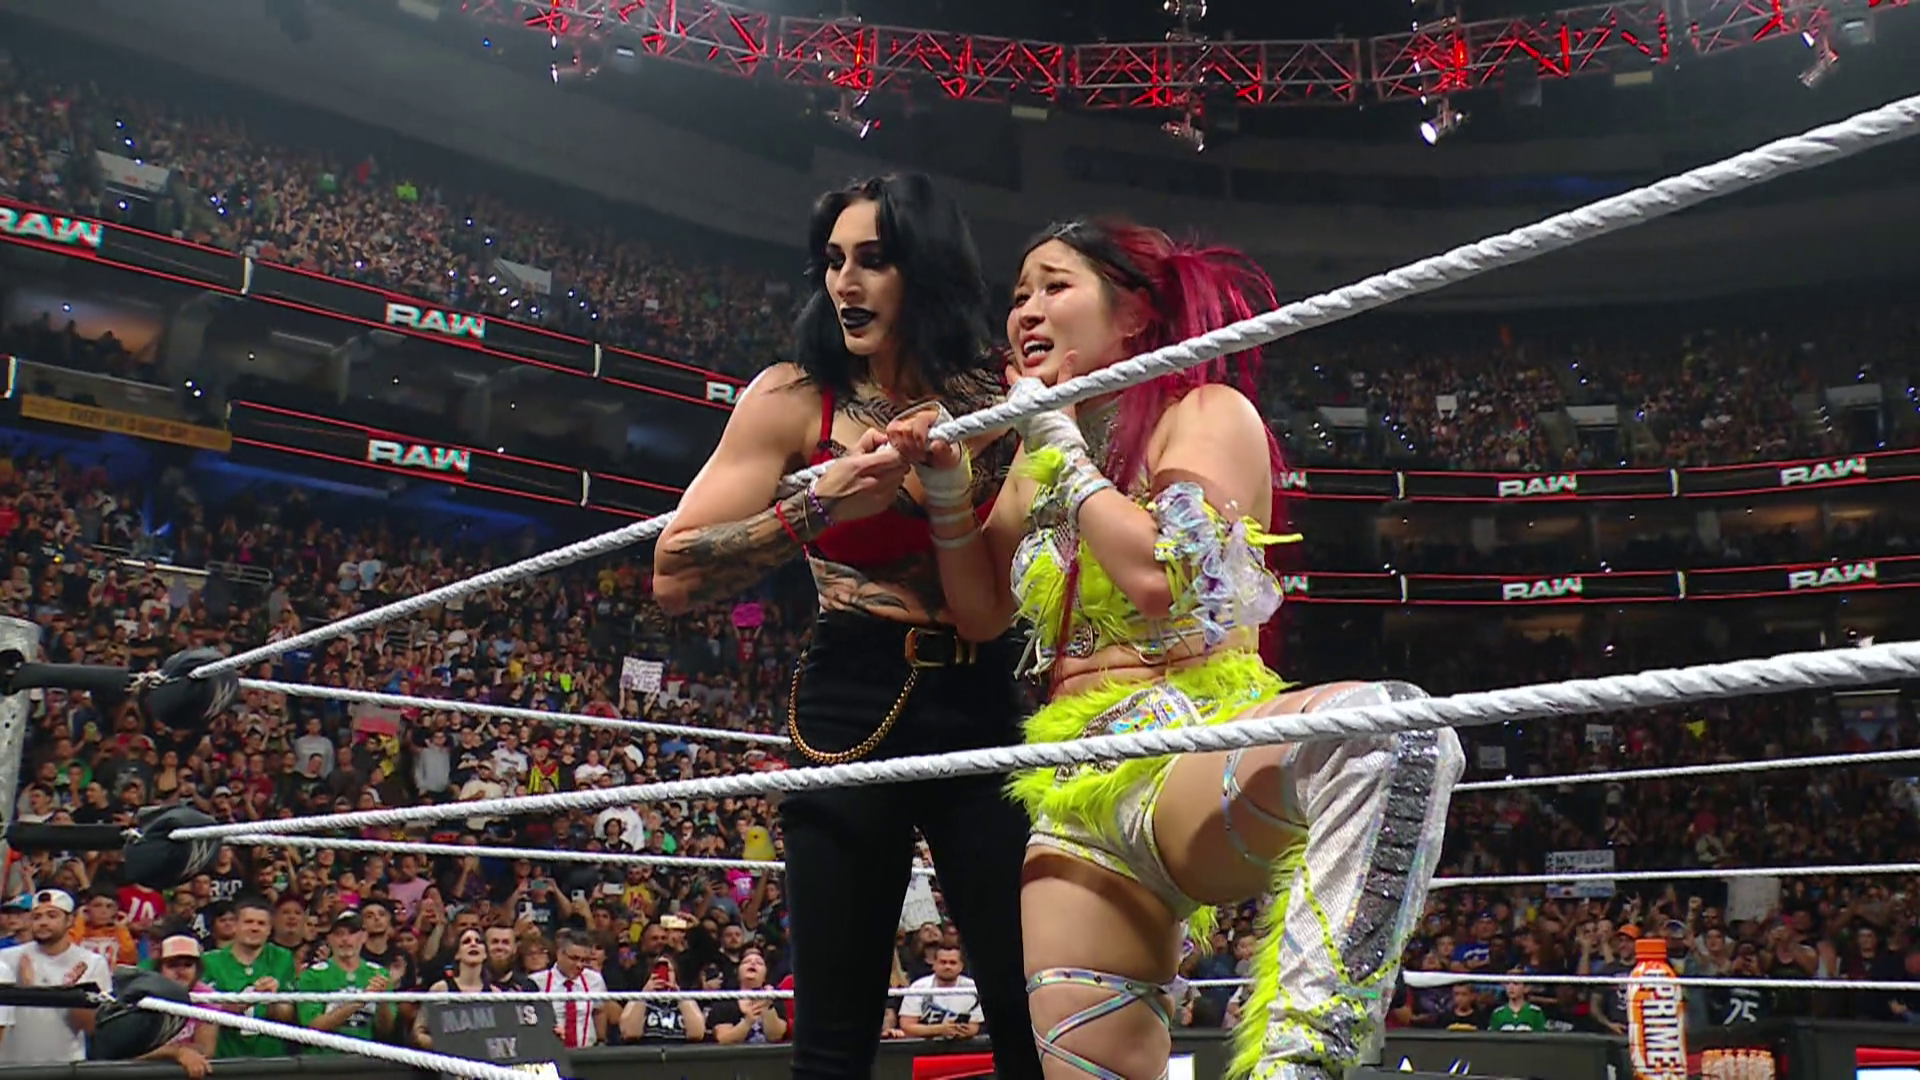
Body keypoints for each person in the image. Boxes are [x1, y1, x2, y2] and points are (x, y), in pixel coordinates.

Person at [886, 219, 1464, 1080]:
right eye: (1017, 295)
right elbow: (979, 612)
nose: (1025, 311)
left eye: (1053, 286)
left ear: (1133, 315)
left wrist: (1057, 444)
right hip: (1074, 790)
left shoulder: (1204, 413)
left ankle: (1301, 1065)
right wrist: (945, 485)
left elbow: (1166, 577)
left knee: (1392, 737)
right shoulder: (1036, 453)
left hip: (1192, 751)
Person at [651, 173, 1038, 1080]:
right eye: (833, 261)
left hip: (989, 687)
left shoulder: (1005, 393)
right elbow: (673, 574)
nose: (846, 283)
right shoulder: (794, 397)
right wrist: (816, 505)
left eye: (873, 259)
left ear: (927, 269)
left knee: (1028, 1011)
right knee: (833, 1033)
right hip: (852, 691)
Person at [0, 889, 111, 1065]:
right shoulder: (7, 958)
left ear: (70, 920)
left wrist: (71, 995)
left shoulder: (91, 962)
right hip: (13, 1065)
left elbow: (93, 1027)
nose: (43, 922)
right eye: (37, 917)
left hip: (66, 1066)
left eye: (52, 916)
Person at [201, 895, 299, 1058]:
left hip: (271, 1058)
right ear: (236, 925)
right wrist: (251, 997)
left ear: (270, 929)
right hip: (225, 1058)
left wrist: (273, 1000)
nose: (254, 928)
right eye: (248, 922)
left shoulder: (282, 958)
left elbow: (287, 1013)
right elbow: (206, 1012)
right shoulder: (210, 961)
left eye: (261, 923)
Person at [296, 911, 396, 1049]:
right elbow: (313, 1026)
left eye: (352, 933)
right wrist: (359, 1001)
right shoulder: (312, 975)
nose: (345, 939)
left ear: (364, 936)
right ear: (329, 939)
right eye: (339, 934)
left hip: (366, 1054)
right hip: (324, 1056)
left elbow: (386, 1030)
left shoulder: (379, 973)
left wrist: (382, 1001)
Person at [138, 935, 217, 1078]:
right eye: (172, 965)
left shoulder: (206, 996)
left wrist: (169, 1052)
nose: (180, 972)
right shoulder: (143, 995)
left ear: (197, 969)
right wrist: (177, 1052)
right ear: (160, 969)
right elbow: (133, 1051)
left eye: (187, 965)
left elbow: (206, 1049)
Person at [413, 928, 504, 1049]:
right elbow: (418, 1032)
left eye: (478, 941)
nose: (473, 944)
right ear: (457, 954)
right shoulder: (441, 989)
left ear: (485, 954)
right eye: (466, 941)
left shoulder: (495, 993)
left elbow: (503, 1035)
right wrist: (446, 1046)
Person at [898, 945, 983, 1041]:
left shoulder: (972, 988)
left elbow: (974, 1026)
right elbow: (907, 1026)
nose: (947, 966)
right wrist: (940, 1029)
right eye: (943, 962)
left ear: (961, 966)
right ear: (934, 964)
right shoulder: (918, 987)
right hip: (925, 1045)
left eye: (952, 963)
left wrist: (959, 1031)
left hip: (962, 1045)